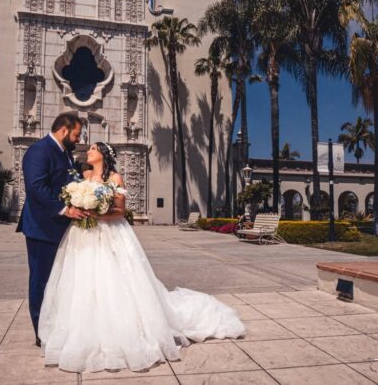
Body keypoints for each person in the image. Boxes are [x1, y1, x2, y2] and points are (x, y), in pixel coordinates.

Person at [38, 141, 245, 372]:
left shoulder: (115, 179)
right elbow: (69, 197)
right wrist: (78, 206)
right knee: (82, 282)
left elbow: (119, 211)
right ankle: (79, 332)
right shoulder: (82, 176)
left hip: (109, 235)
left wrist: (96, 213)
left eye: (93, 149)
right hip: (82, 236)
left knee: (113, 280)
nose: (89, 152)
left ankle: (121, 332)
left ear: (104, 155)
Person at [17, 112, 91, 346]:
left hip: (61, 230)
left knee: (59, 281)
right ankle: (41, 334)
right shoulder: (39, 151)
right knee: (41, 281)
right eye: (77, 134)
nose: (78, 139)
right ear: (64, 130)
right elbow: (36, 187)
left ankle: (57, 327)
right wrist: (64, 209)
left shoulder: (66, 154)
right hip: (42, 228)